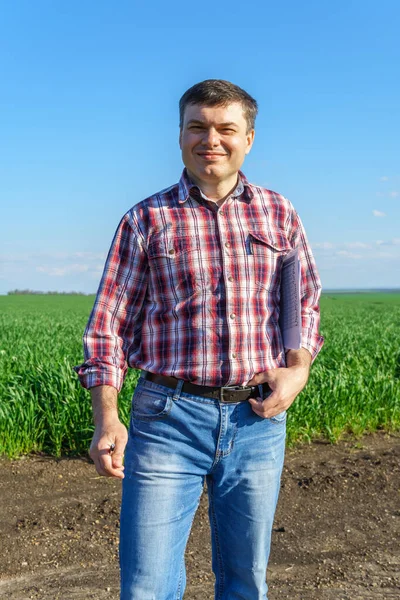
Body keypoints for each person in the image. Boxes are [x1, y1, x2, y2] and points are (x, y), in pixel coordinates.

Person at [74, 79, 324, 600]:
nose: (211, 139)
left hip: (256, 420)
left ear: (248, 139)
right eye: (198, 127)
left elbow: (303, 303)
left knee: (244, 581)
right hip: (166, 418)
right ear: (181, 134)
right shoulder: (146, 220)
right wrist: (107, 418)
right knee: (147, 585)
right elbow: (108, 324)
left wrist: (297, 370)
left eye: (226, 128)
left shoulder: (280, 213)